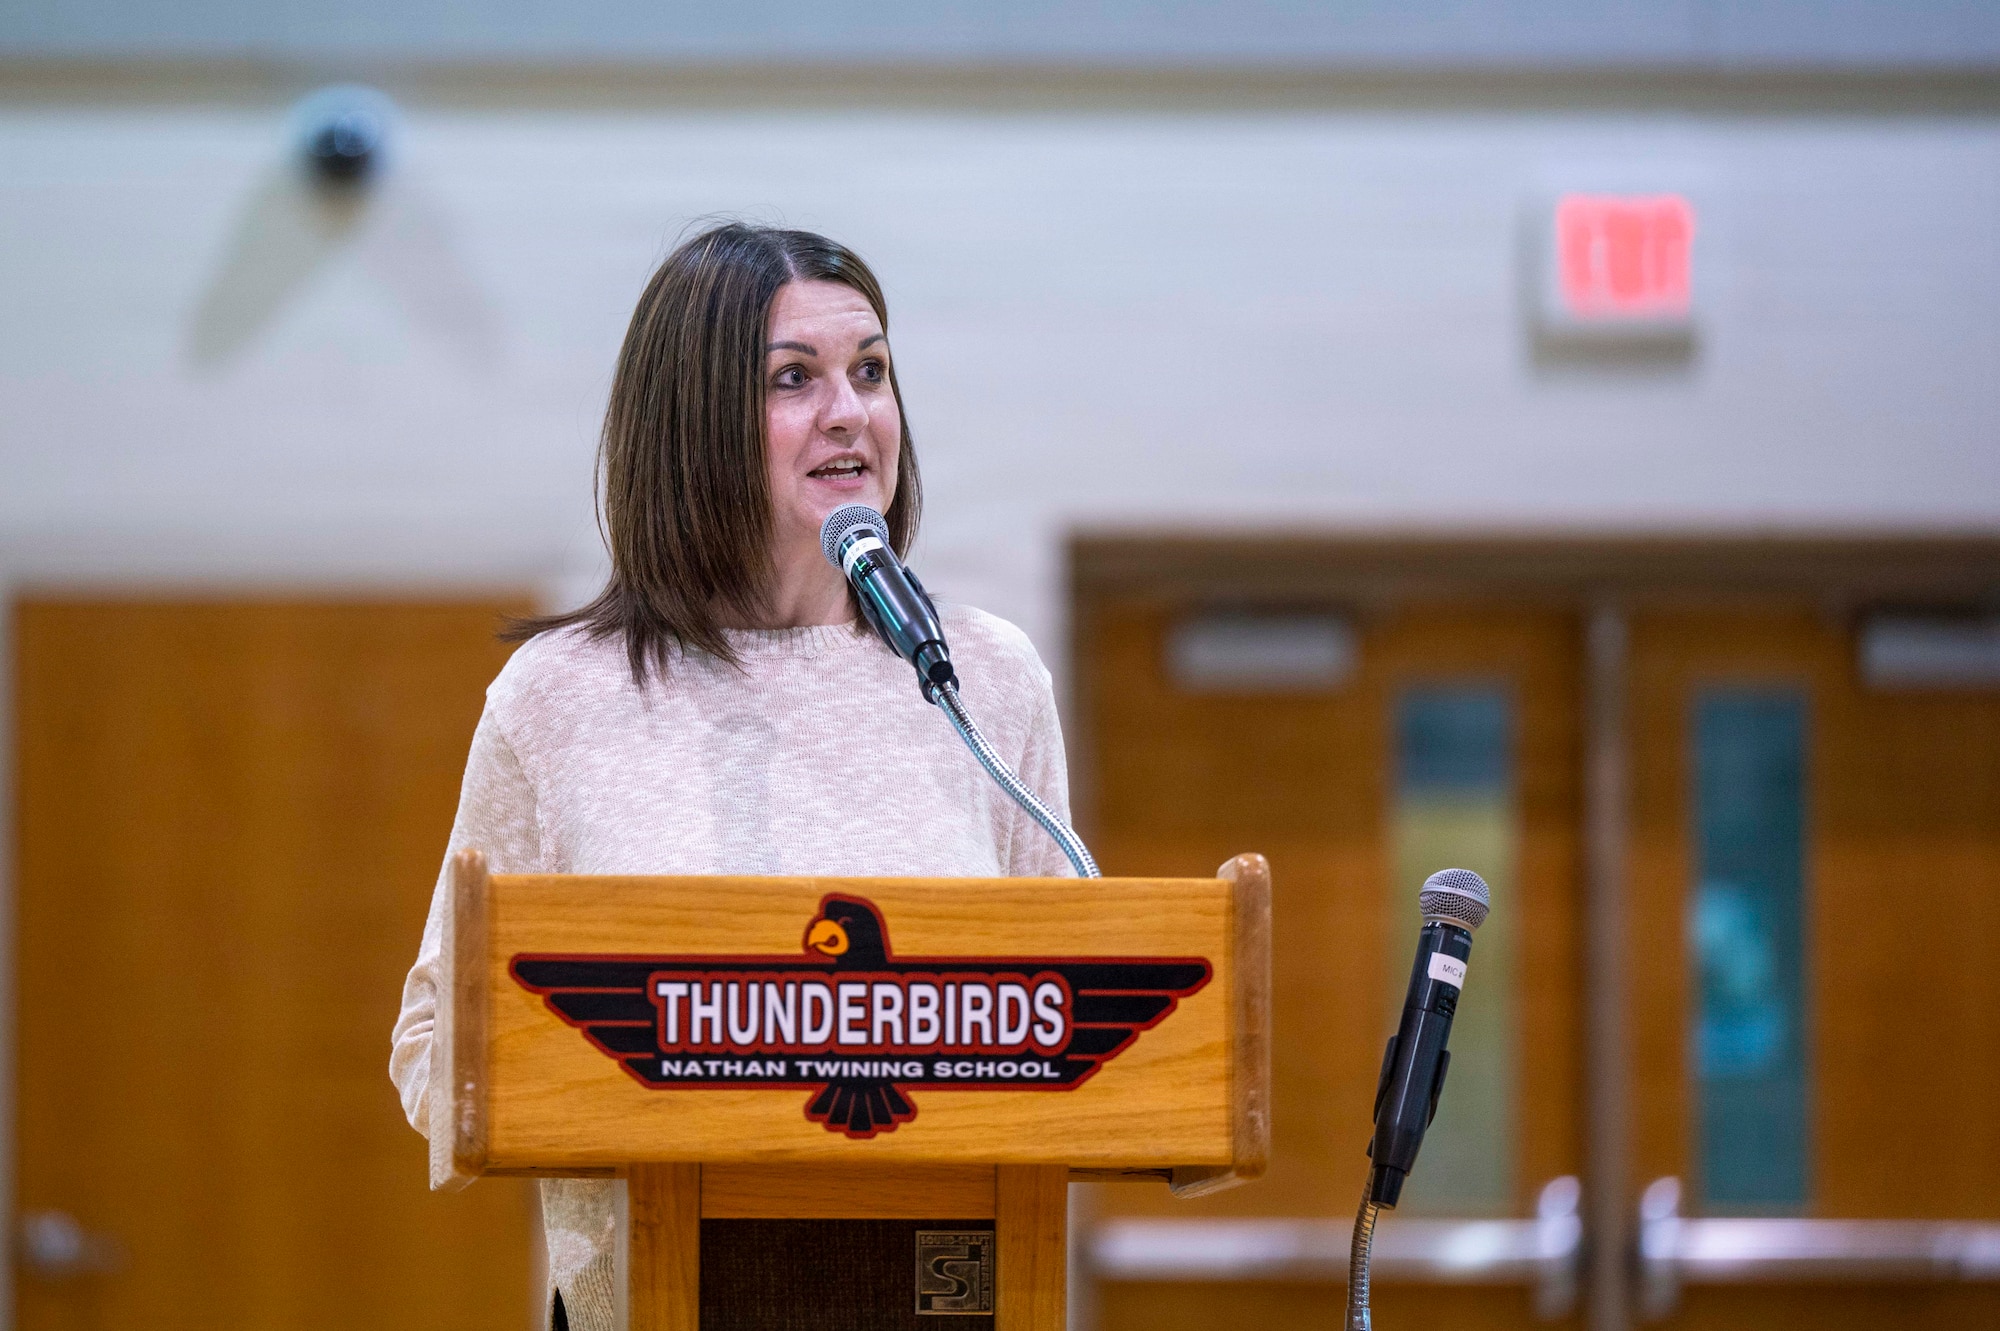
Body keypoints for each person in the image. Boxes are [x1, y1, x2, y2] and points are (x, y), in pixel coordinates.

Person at [387, 223, 1076, 1331]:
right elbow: (434, 1048)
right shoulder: (559, 695)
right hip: (653, 1287)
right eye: (792, 379)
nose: (848, 410)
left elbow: (1070, 1012)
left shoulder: (976, 676)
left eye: (870, 370)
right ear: (694, 422)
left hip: (934, 1290)